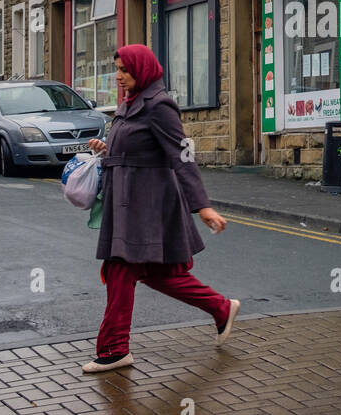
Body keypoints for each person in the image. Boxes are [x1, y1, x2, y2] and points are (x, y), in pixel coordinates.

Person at [81, 44, 238, 374]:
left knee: (121, 272)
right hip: (127, 204)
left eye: (124, 69)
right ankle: (221, 307)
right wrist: (105, 149)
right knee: (155, 273)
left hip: (147, 208)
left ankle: (114, 349)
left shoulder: (159, 105)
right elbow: (134, 149)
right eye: (118, 68)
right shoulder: (131, 103)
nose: (119, 76)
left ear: (142, 68)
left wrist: (203, 206)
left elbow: (182, 157)